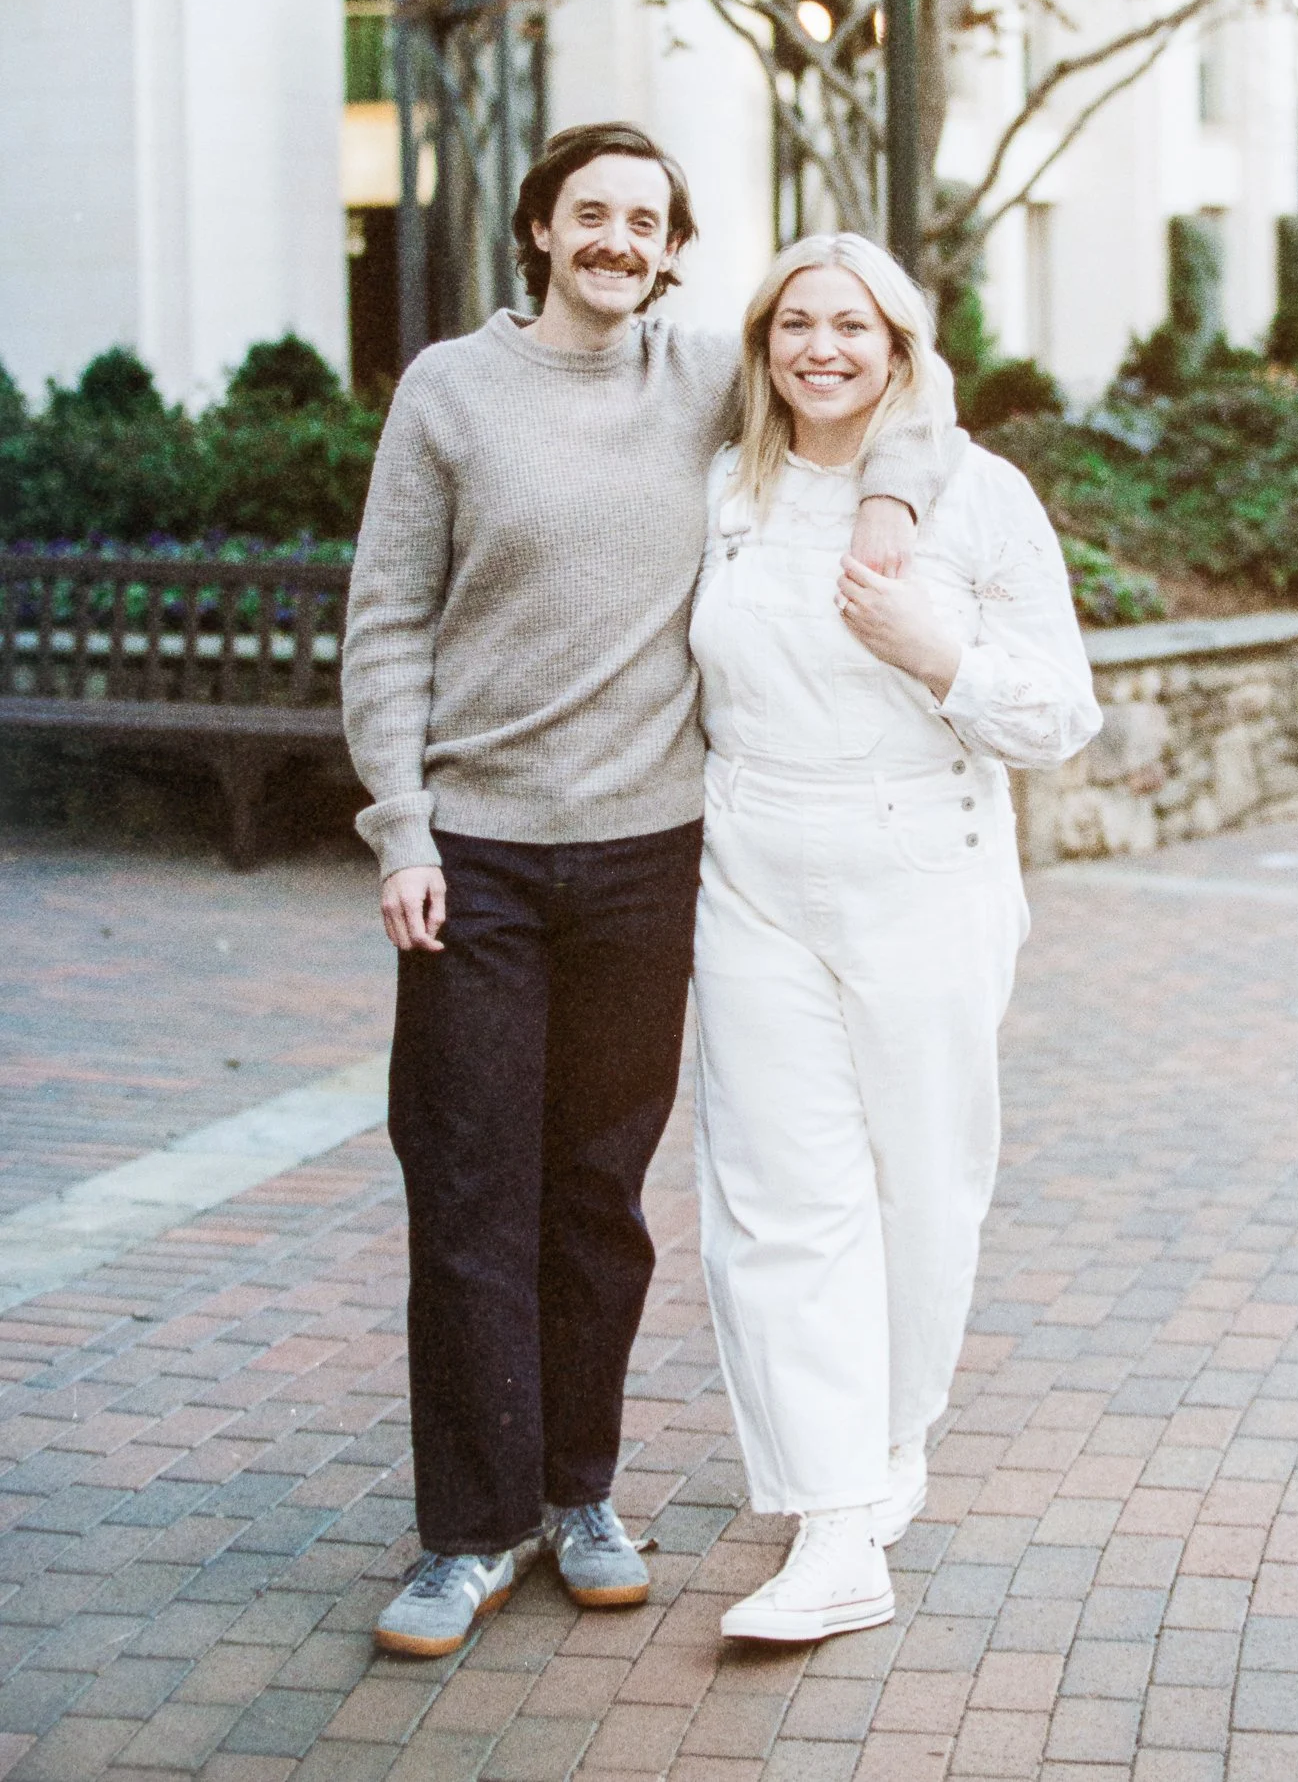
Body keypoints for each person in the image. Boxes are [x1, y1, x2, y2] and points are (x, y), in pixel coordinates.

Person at [342, 128, 954, 1658]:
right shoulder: (448, 392)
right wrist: (402, 829)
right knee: (472, 1187)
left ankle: (578, 1497)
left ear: (671, 247)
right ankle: (466, 1535)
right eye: (590, 213)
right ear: (539, 227)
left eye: (645, 220)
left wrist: (886, 511)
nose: (616, 237)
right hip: (475, 855)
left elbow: (894, 397)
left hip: (645, 856)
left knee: (597, 1197)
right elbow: (386, 624)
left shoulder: (702, 379)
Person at [688, 232, 1100, 1645]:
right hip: (752, 867)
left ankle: (893, 1437)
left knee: (920, 1183)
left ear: (899, 345)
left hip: (925, 865)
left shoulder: (976, 499)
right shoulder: (725, 487)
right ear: (759, 347)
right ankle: (830, 1520)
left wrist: (942, 653)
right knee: (776, 1192)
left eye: (850, 326)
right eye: (794, 323)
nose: (820, 348)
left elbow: (1059, 717)